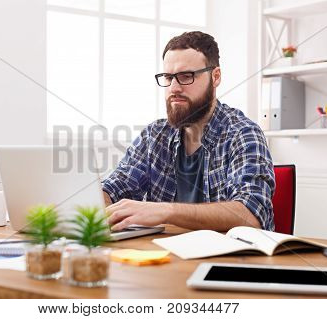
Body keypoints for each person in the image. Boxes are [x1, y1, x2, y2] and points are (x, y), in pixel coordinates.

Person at [102, 31, 275, 232]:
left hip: (229, 259)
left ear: (215, 76)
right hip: (167, 257)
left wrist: (167, 211)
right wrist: (98, 205)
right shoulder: (153, 136)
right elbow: (113, 188)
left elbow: (251, 214)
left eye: (186, 76)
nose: (174, 88)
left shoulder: (242, 133)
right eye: (168, 77)